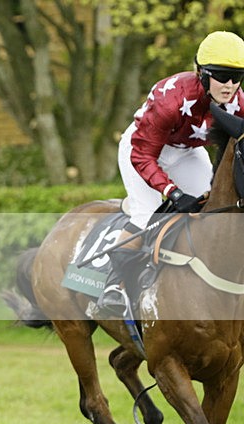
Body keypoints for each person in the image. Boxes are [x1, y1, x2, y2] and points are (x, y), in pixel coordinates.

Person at [96, 30, 244, 316]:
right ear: (201, 72)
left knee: (214, 209)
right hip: (143, 149)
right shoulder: (171, 98)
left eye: (237, 77)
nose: (229, 85)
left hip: (187, 152)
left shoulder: (239, 104)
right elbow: (142, 155)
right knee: (148, 213)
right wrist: (173, 192)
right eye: (222, 75)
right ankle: (115, 286)